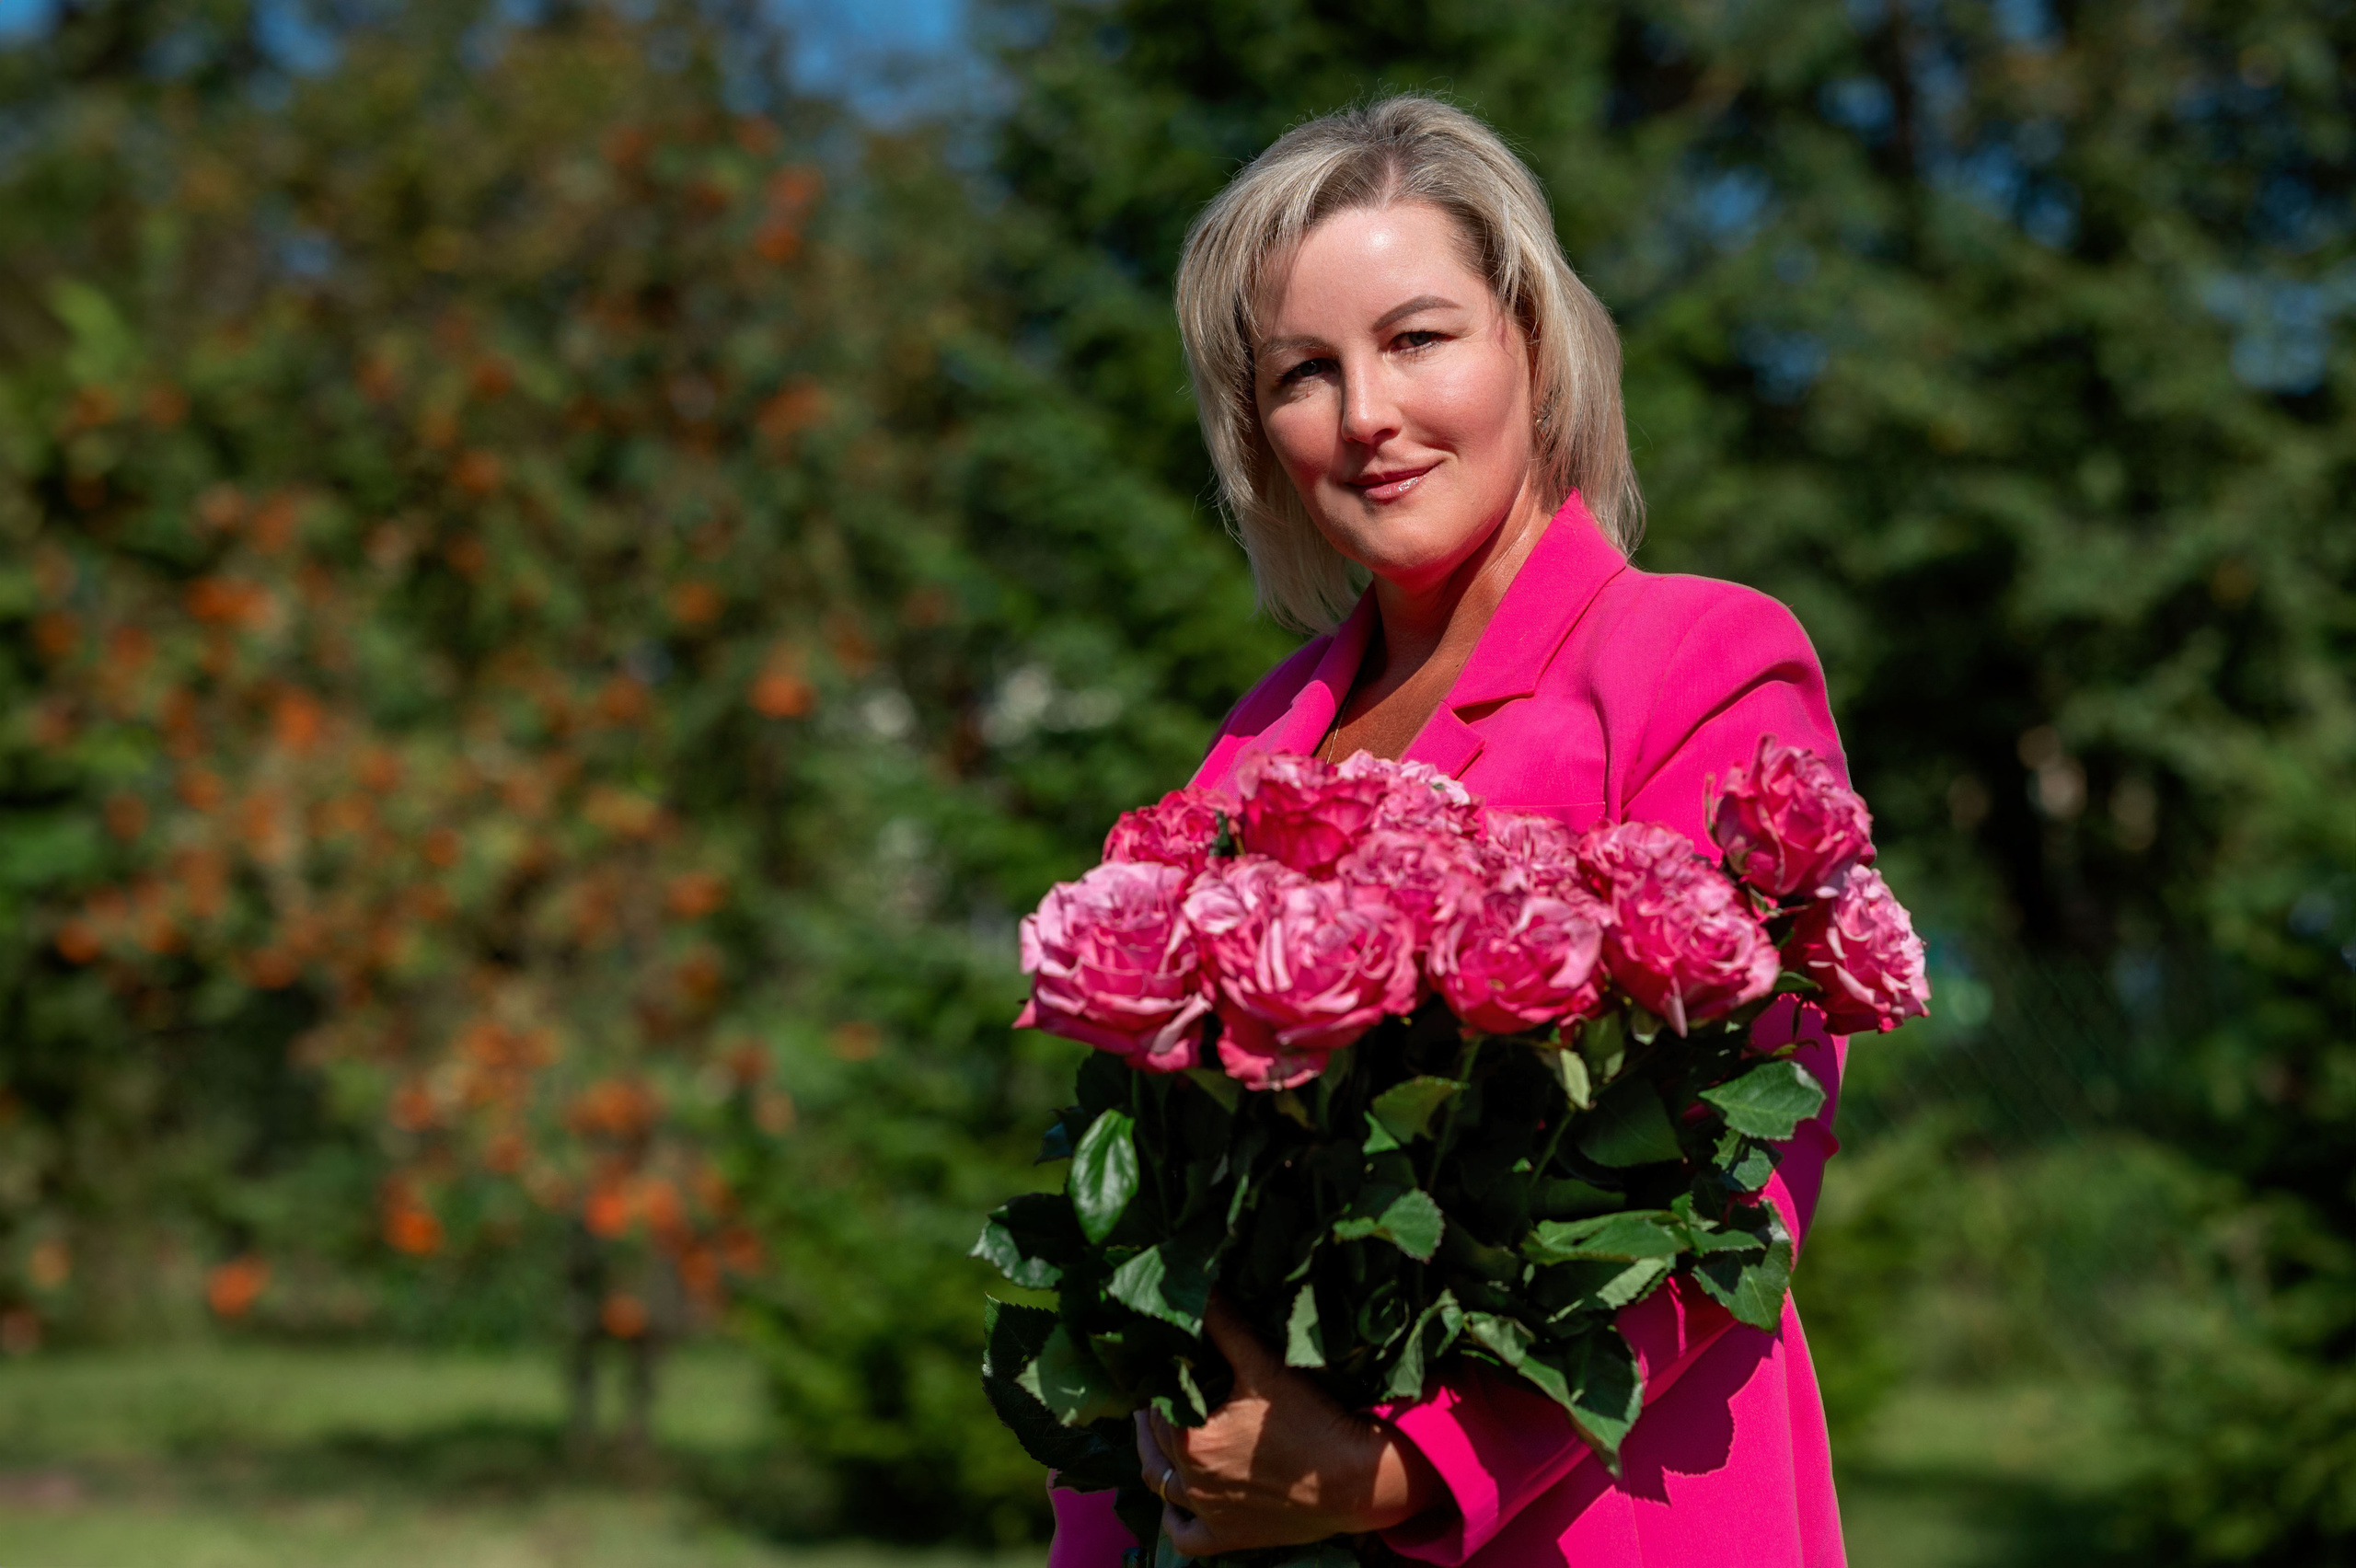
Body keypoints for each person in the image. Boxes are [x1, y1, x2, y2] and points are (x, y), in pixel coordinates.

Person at [1048, 96, 1849, 1566]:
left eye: (1418, 339)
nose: (1366, 415)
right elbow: (1159, 1202)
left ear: (1534, 343)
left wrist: (1412, 1473)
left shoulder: (1703, 665)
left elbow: (1742, 1173)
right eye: (1304, 371)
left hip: (1597, 1521)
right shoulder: (1253, 744)